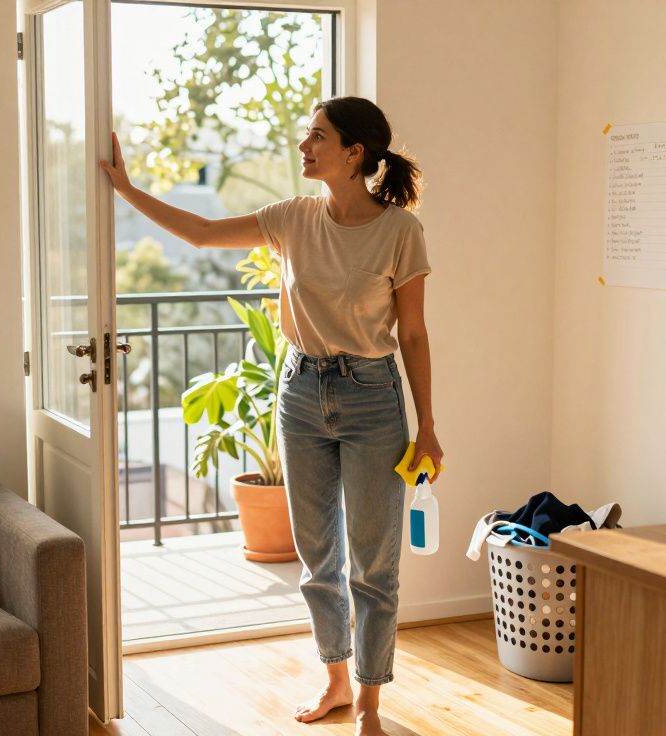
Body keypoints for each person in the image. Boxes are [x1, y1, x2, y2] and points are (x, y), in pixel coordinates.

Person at [99, 96, 442, 736]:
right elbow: (202, 233)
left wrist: (427, 427)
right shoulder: (291, 218)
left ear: (354, 154)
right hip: (302, 393)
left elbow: (415, 335)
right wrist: (127, 189)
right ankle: (337, 677)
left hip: (373, 398)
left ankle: (370, 699)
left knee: (374, 562)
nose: (304, 147)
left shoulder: (400, 231)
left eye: (317, 137)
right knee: (317, 558)